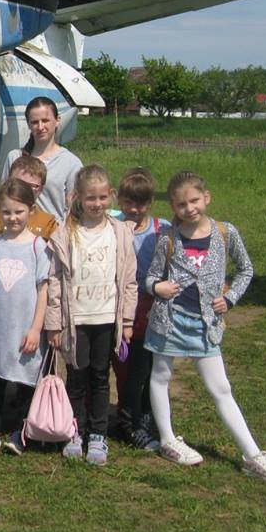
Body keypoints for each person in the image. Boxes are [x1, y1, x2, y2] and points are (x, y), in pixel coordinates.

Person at [144, 172, 266, 484]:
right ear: (173, 206)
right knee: (160, 377)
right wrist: (158, 288)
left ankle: (253, 455)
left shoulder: (225, 232)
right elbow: (151, 277)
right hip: (168, 321)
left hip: (205, 326)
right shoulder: (168, 238)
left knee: (221, 388)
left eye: (194, 201)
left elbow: (246, 269)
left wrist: (231, 298)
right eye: (181, 204)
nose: (189, 208)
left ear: (206, 197)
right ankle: (167, 438)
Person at [45, 165, 137, 466]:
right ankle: (75, 430)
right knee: (76, 377)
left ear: (111, 195)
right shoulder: (65, 234)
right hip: (76, 321)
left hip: (107, 319)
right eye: (90, 198)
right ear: (78, 198)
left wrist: (127, 322)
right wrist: (54, 323)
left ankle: (98, 433)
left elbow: (129, 281)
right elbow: (55, 281)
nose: (97, 204)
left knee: (100, 377)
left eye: (102, 197)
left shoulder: (120, 233)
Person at [0, 179, 51, 457]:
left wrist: (36, 329)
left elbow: (44, 290)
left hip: (26, 329)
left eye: (19, 211)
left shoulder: (38, 247)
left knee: (24, 381)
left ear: (31, 210)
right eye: (6, 212)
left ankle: (21, 430)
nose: (12, 217)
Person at [110, 168, 169, 450]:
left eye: (141, 203)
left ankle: (145, 415)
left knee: (151, 365)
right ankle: (127, 419)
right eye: (128, 202)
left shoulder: (161, 229)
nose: (134, 209)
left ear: (150, 203)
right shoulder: (112, 225)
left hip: (151, 306)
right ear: (119, 200)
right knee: (126, 366)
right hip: (119, 304)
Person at [1, 97, 83, 220]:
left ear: (57, 120)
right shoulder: (14, 157)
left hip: (54, 230)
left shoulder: (71, 163)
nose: (40, 127)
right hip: (15, 227)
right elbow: (3, 197)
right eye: (34, 122)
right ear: (28, 124)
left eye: (45, 120)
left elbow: (75, 208)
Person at [0, 156, 59, 243]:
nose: (24, 189)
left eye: (32, 186)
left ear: (40, 189)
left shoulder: (48, 224)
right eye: (19, 183)